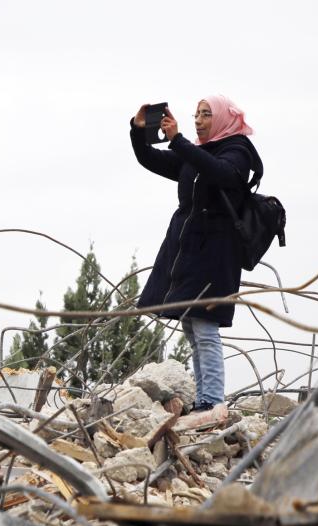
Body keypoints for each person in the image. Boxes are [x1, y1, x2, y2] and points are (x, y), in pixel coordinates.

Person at [130, 96, 262, 414]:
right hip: (187, 249)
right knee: (192, 325)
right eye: (196, 115)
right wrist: (138, 131)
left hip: (216, 253)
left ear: (222, 120)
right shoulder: (195, 154)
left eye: (206, 115)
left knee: (205, 325)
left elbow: (224, 174)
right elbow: (150, 159)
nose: (199, 120)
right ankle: (204, 398)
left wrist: (178, 140)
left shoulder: (237, 151)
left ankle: (213, 400)